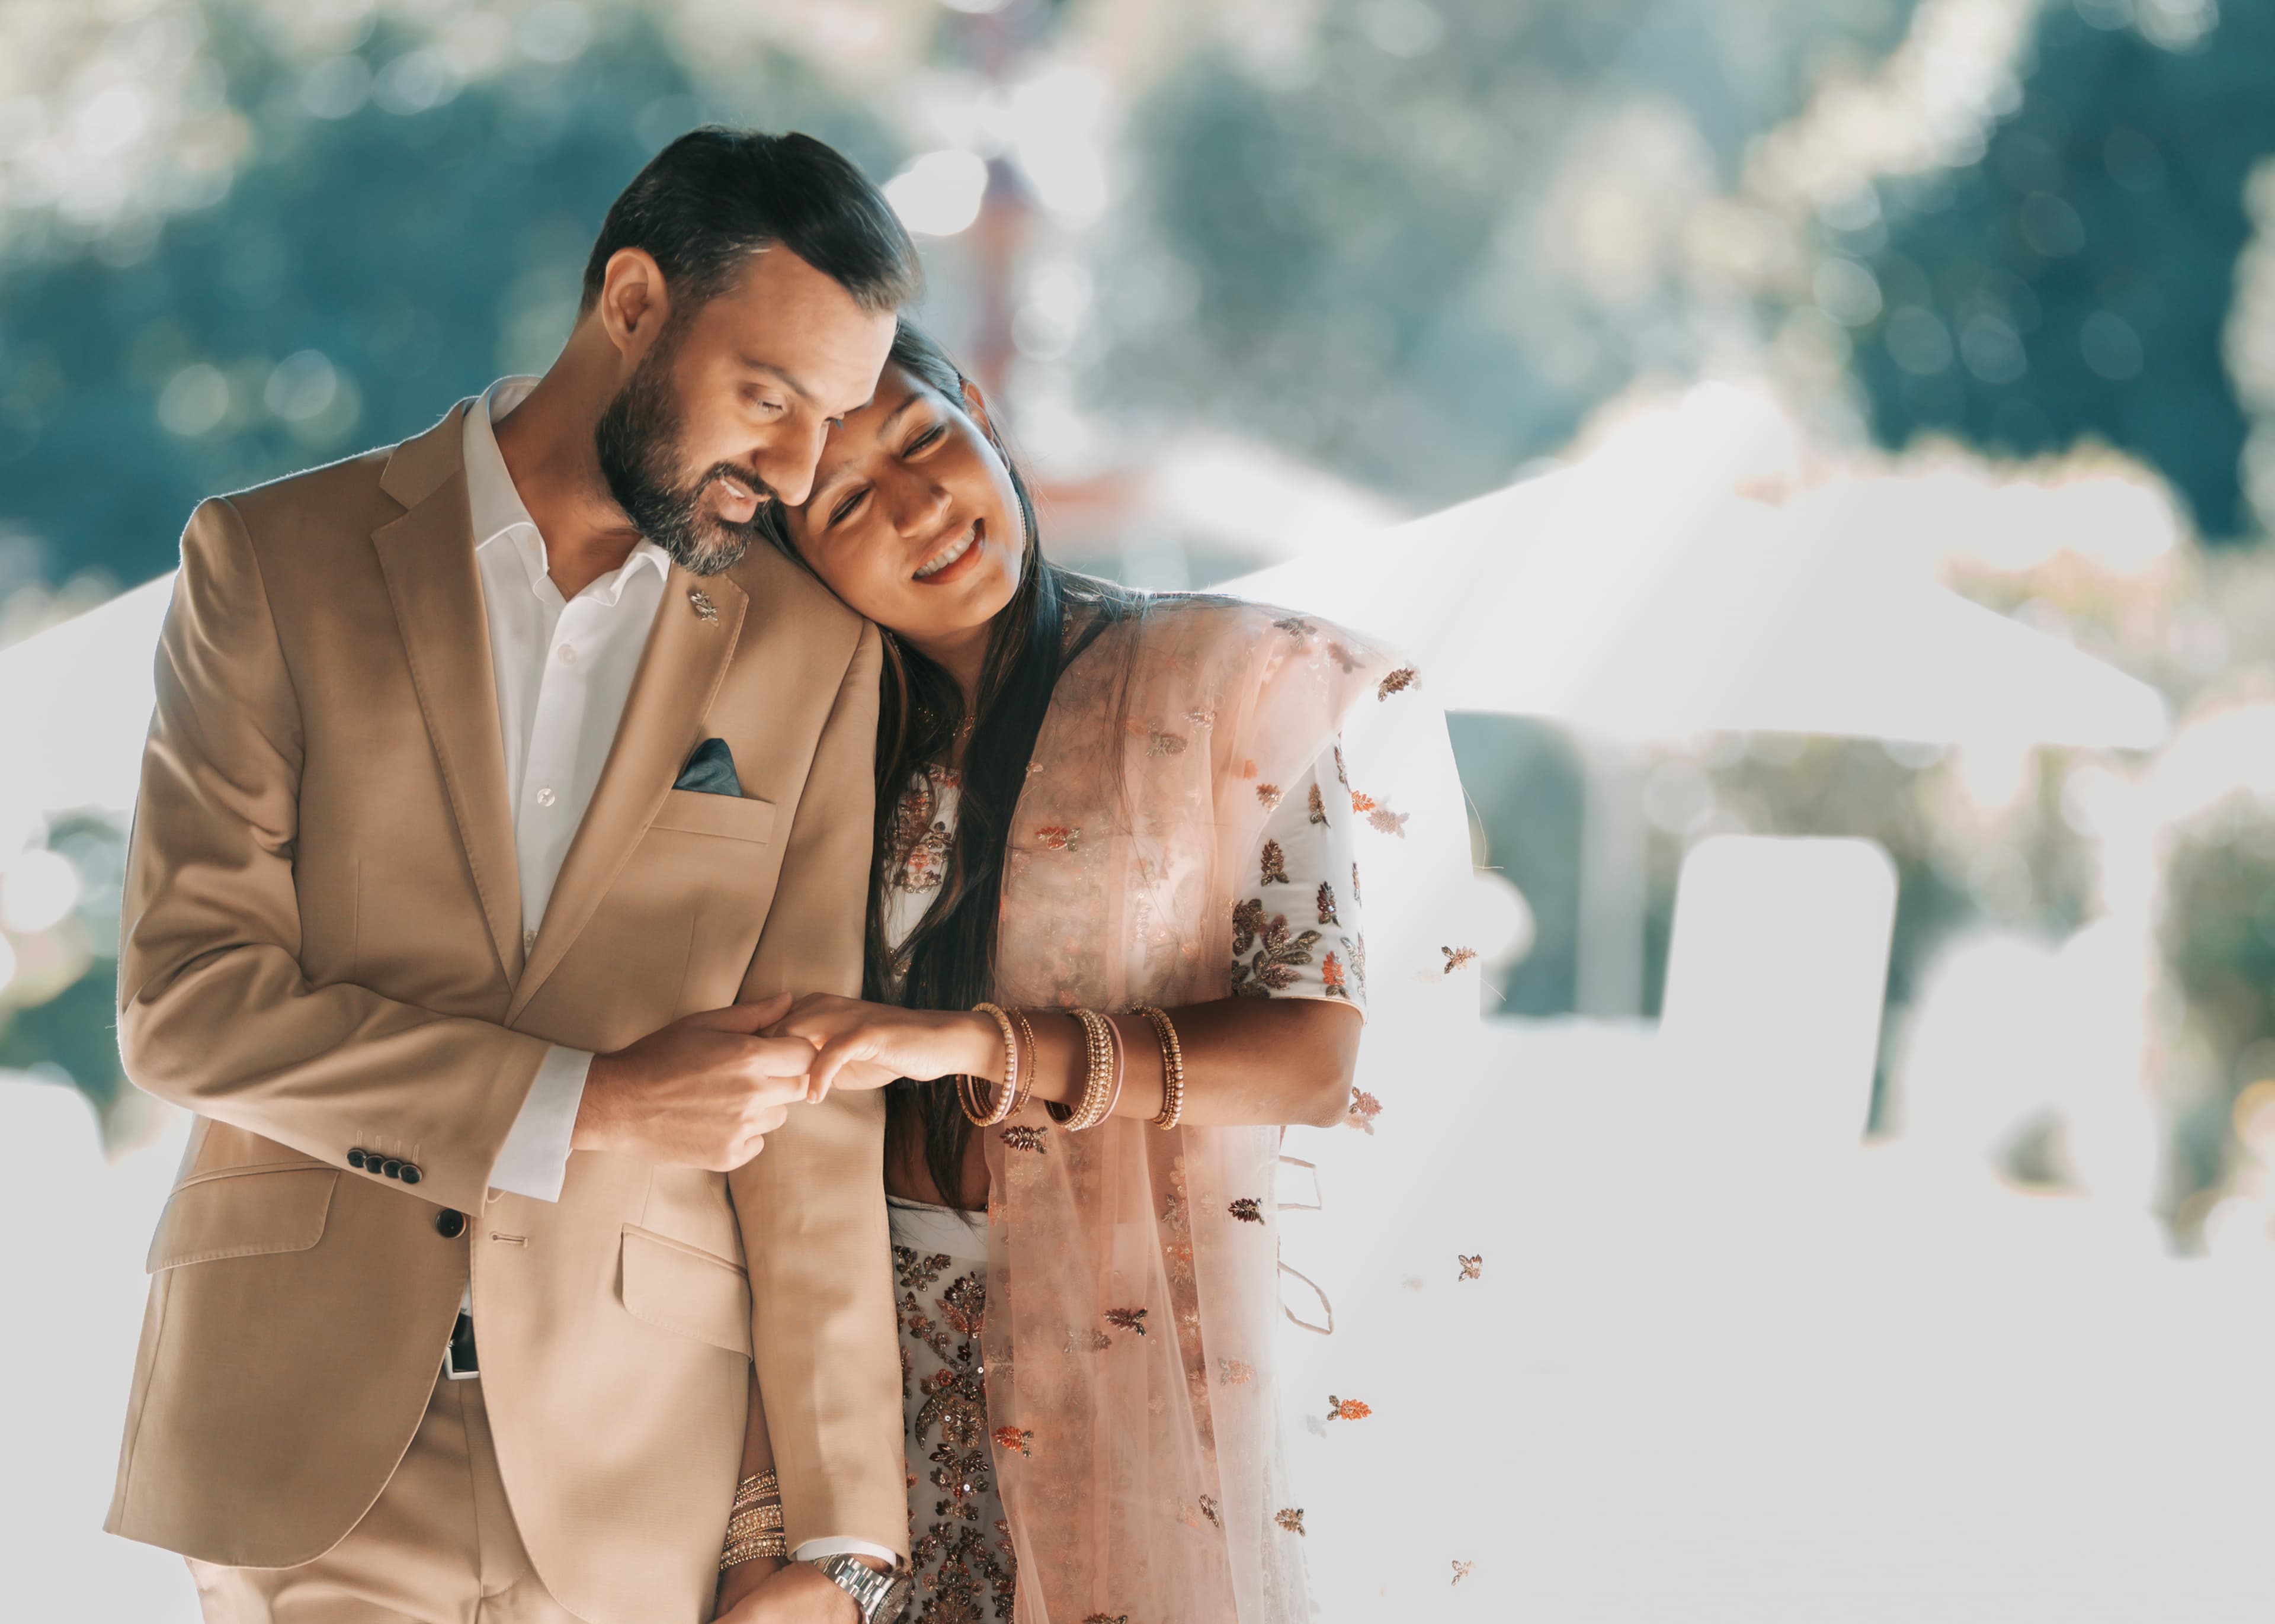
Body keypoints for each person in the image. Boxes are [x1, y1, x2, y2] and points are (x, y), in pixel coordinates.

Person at [109, 129, 918, 1624]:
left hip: (641, 1468)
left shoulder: (813, 651)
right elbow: (190, 1010)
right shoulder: (274, 561)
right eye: (770, 399)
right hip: (306, 1446)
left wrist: (836, 1529)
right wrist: (585, 1104)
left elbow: (815, 1115)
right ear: (634, 303)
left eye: (834, 421)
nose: (800, 470)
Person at [745, 322, 1473, 1623]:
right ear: (799, 556)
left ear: (980, 413)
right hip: (860, 1375)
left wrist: (982, 1046)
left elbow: (1311, 1060)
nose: (917, 507)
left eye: (923, 440)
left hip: (1122, 1358)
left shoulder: (1230, 689)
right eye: (845, 503)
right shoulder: (813, 741)